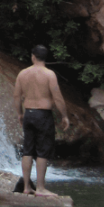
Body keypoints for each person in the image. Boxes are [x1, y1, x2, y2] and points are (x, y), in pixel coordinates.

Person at [14, 44, 70, 196]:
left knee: (27, 150)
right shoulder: (49, 74)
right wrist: (64, 115)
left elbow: (17, 97)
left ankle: (26, 187)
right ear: (45, 57)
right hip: (43, 115)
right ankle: (40, 188)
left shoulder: (22, 74)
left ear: (33, 56)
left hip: (29, 113)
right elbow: (57, 97)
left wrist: (20, 113)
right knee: (42, 151)